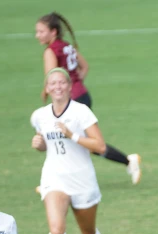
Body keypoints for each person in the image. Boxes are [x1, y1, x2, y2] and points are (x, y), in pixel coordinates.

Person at [31, 68, 108, 234]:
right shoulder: (40, 116)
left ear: (68, 86)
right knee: (56, 229)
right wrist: (40, 144)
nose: (57, 86)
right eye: (52, 83)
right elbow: (48, 145)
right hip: (55, 179)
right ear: (47, 88)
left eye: (61, 82)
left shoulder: (81, 112)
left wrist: (72, 135)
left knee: (88, 233)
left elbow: (100, 146)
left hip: (82, 180)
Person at [35, 12, 142, 184]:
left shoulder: (50, 51)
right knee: (81, 142)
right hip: (83, 94)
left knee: (76, 141)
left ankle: (128, 161)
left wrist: (57, 94)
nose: (37, 35)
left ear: (53, 32)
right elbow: (84, 67)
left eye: (41, 31)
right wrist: (75, 84)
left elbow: (52, 76)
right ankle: (128, 162)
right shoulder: (67, 46)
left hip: (72, 101)